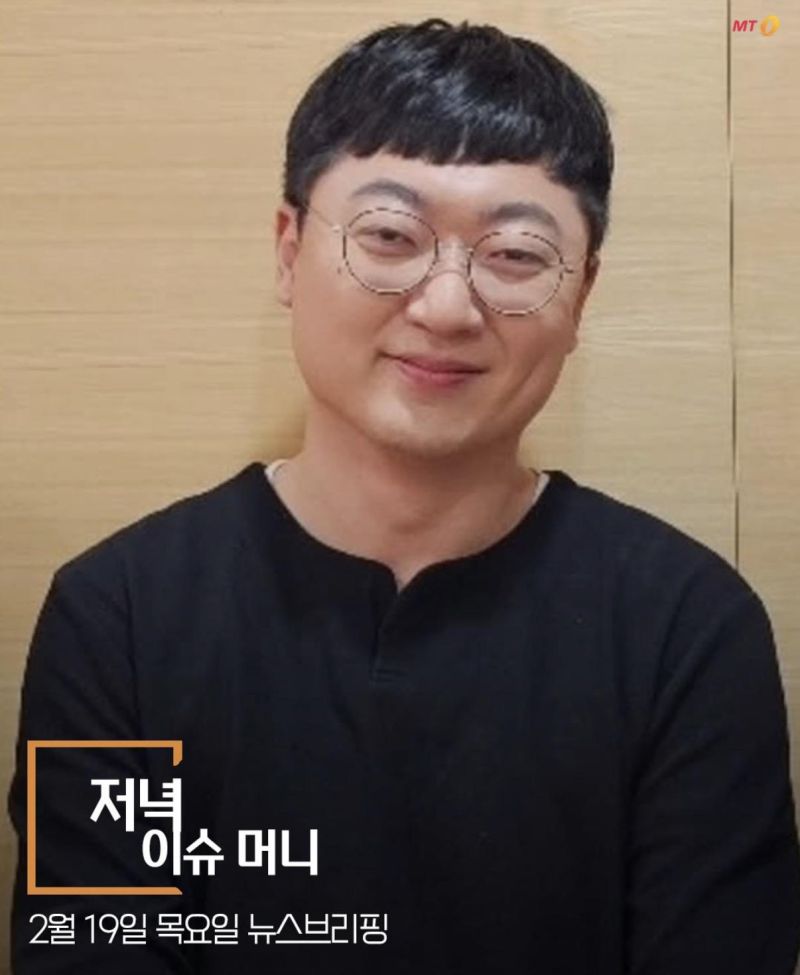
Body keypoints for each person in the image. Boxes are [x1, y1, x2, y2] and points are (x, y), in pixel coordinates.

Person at [8, 17, 800, 975]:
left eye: (516, 254)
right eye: (389, 236)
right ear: (288, 249)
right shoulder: (121, 617)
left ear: (582, 295)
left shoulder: (687, 628)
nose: (447, 305)